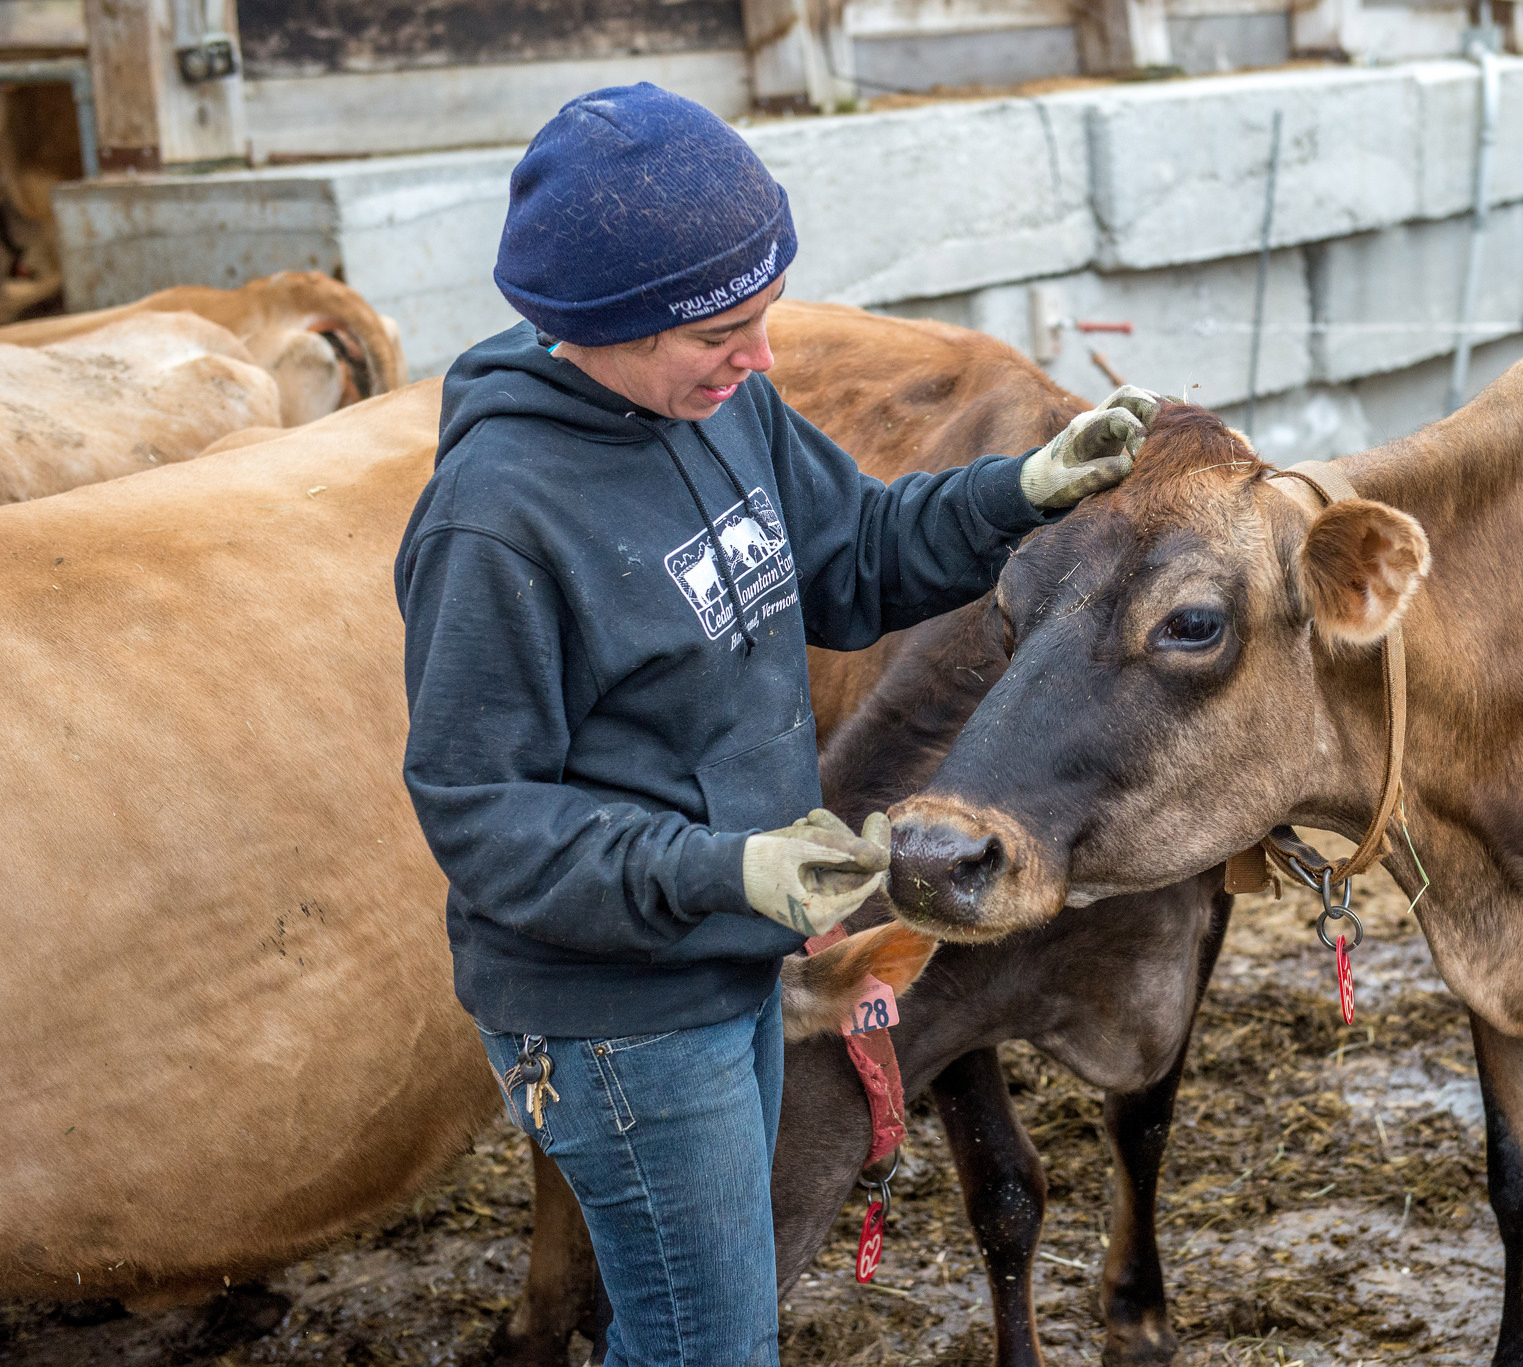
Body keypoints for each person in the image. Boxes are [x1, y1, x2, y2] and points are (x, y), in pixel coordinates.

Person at [393, 83, 1158, 1366]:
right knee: (706, 1342)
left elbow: (853, 552)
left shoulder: (721, 406)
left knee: (708, 1324)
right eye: (724, 330)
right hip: (616, 1009)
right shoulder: (496, 521)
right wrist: (723, 865)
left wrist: (1019, 494)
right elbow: (486, 820)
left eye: (764, 318)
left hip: (724, 956)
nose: (759, 356)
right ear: (602, 320)